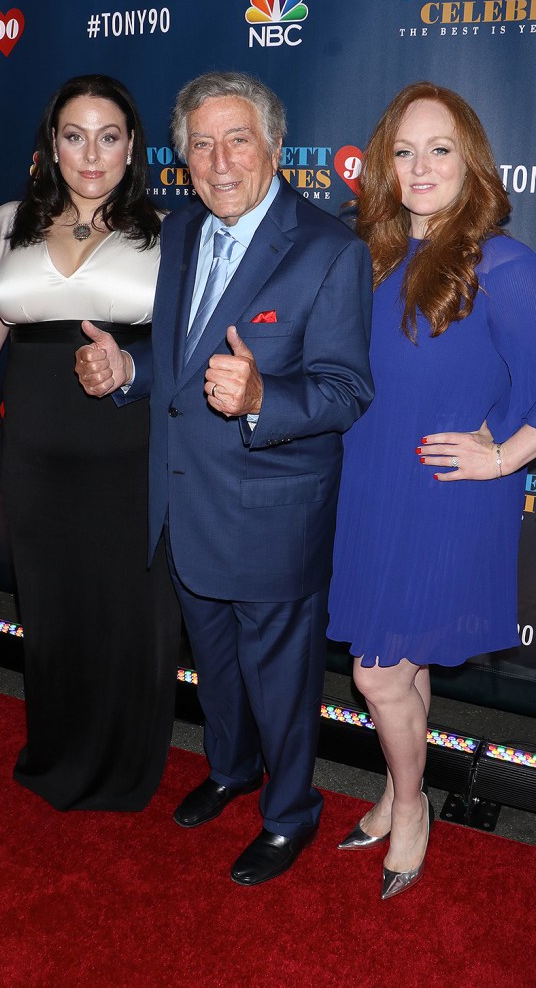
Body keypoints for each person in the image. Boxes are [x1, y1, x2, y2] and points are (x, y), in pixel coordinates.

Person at [75, 71, 373, 884]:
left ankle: (291, 811)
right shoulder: (179, 234)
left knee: (281, 682)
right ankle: (232, 769)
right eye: (201, 145)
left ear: (276, 147)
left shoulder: (330, 249)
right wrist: (124, 372)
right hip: (186, 505)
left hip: (273, 512)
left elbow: (349, 391)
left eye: (237, 139)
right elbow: (175, 363)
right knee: (216, 670)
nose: (220, 160)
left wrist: (262, 396)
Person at [328, 81, 536, 900]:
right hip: (376, 493)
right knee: (399, 665)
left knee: (377, 676)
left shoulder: (498, 259)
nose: (419, 167)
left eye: (439, 149)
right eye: (403, 151)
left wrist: (505, 455)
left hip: (444, 500)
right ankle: (394, 784)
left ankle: (412, 806)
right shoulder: (379, 255)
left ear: (470, 161)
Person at [0, 74, 180, 811]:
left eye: (109, 137)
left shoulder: (167, 230)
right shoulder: (7, 222)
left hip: (132, 451)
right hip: (36, 452)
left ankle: (130, 762)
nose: (92, 154)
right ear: (52, 144)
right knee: (52, 605)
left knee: (130, 609)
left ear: (133, 147)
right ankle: (61, 749)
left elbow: (187, 351)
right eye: (75, 135)